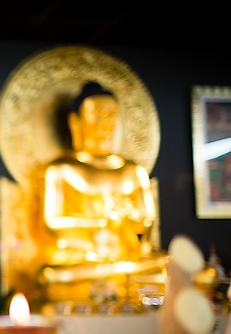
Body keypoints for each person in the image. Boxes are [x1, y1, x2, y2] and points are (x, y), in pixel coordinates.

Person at [37, 81, 167, 301]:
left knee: (194, 272)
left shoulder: (133, 171)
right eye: (97, 115)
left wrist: (128, 218)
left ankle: (120, 274)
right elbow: (53, 221)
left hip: (126, 255)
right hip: (83, 257)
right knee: (52, 275)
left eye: (111, 115)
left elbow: (147, 223)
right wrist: (102, 221)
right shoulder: (61, 169)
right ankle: (120, 276)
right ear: (75, 122)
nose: (106, 123)